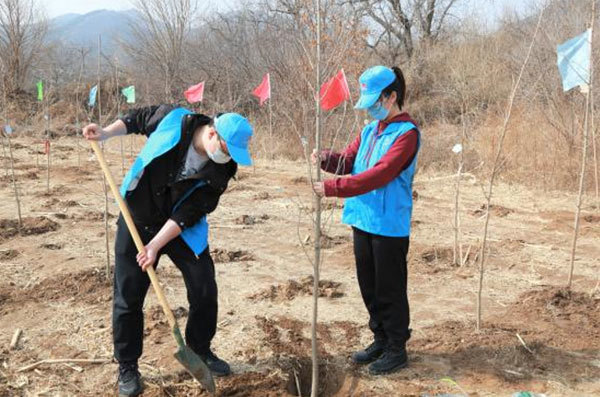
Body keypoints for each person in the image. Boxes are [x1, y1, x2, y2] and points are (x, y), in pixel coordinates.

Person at [83, 104, 253, 396]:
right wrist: (106, 133)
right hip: (138, 215)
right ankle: (127, 365)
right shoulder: (174, 119)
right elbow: (136, 119)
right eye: (227, 149)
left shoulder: (223, 170)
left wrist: (155, 245)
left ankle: (199, 350)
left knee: (204, 286)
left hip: (180, 227)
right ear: (212, 132)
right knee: (129, 294)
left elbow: (190, 211)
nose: (227, 158)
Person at [312, 65, 420, 375]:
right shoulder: (369, 130)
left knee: (390, 288)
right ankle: (380, 338)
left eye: (375, 100)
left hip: (388, 224)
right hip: (362, 217)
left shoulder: (407, 134)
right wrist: (326, 159)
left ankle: (397, 347)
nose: (371, 107)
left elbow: (381, 174)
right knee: (368, 285)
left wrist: (333, 188)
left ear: (391, 96)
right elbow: (350, 161)